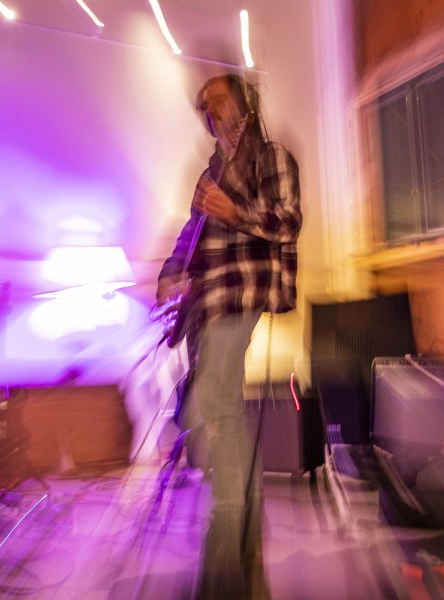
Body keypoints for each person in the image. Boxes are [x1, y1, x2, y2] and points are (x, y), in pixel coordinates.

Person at [155, 73, 302, 599]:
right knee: (221, 415)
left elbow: (287, 224)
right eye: (206, 104)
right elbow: (188, 235)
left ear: (245, 104)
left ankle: (222, 563)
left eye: (221, 98)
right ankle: (246, 552)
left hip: (241, 291)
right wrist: (169, 272)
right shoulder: (210, 173)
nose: (213, 108)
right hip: (204, 303)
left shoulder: (273, 158)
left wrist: (234, 211)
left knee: (210, 409)